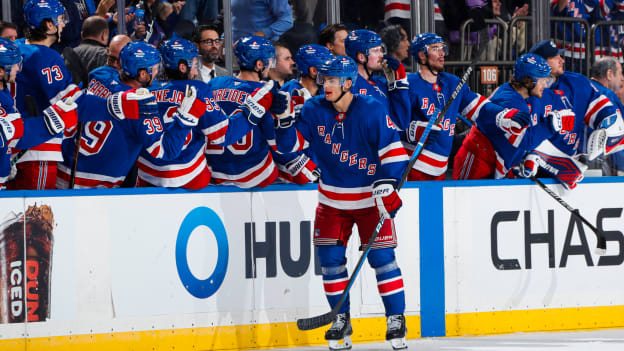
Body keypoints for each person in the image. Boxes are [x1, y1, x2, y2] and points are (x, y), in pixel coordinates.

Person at [272, 55, 409, 350]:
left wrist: (387, 185)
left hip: (370, 201)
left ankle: (396, 319)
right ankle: (341, 319)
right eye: (324, 80)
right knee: (331, 264)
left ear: (349, 83)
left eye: (333, 80)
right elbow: (288, 147)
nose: (326, 85)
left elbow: (395, 155)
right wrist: (283, 122)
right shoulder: (312, 108)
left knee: (383, 260)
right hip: (332, 201)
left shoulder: (372, 110)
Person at [136, 38, 277, 189]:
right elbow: (223, 135)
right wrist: (255, 107)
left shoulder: (147, 92)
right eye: (195, 65)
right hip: (190, 175)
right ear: (183, 67)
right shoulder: (199, 89)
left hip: (147, 174)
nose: (196, 71)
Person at [57, 41, 197, 188]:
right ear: (143, 74)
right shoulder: (140, 104)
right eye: (154, 68)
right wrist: (184, 120)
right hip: (97, 184)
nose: (156, 73)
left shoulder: (100, 74)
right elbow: (164, 150)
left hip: (64, 166)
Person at [405, 33, 528, 180]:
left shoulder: (452, 83)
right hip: (413, 165)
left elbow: (479, 107)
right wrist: (412, 130)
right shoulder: (408, 84)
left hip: (440, 168)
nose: (442, 53)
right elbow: (393, 123)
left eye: (442, 48)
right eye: (435, 48)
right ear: (422, 55)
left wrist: (504, 115)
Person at [453, 53, 576, 182]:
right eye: (543, 81)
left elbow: (530, 134)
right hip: (478, 159)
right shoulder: (509, 101)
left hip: (497, 160)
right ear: (529, 81)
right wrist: (552, 124)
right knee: (467, 200)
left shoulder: (529, 97)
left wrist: (529, 156)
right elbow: (524, 140)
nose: (545, 85)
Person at [10, 0, 81, 189]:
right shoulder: (47, 57)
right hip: (38, 150)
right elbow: (70, 103)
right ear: (48, 24)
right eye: (60, 19)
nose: (64, 24)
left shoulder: (15, 48)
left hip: (10, 146)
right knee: (37, 216)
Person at [205, 35, 283, 188]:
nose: (270, 66)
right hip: (256, 175)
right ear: (259, 64)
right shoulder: (264, 93)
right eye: (268, 62)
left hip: (215, 174)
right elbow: (276, 141)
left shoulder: (215, 84)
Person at [529, 40, 624, 164]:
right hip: (536, 161)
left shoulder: (577, 82)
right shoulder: (528, 90)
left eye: (560, 56)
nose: (561, 60)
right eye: (554, 57)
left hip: (573, 163)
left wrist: (607, 126)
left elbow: (603, 109)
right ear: (540, 62)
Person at [344, 29, 411, 131]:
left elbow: (401, 123)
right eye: (376, 51)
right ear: (361, 57)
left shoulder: (382, 82)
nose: (381, 55)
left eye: (381, 50)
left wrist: (398, 83)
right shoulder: (348, 85)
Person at [588, 57, 624, 174]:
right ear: (609, 74)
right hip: (599, 157)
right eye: (620, 73)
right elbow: (616, 133)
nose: (622, 78)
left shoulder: (582, 87)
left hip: (575, 156)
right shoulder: (606, 94)